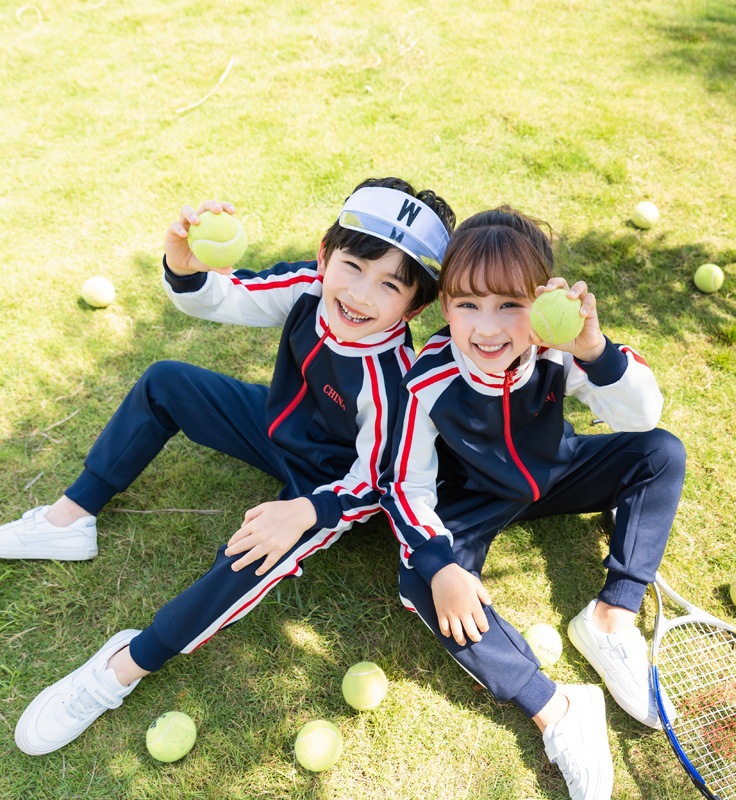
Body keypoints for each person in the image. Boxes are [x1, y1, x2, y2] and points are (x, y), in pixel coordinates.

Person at [11, 176, 456, 756]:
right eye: (352, 266)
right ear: (325, 255)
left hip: (328, 485)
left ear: (415, 306)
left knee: (249, 555)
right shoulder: (308, 287)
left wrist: (308, 512)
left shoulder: (394, 378)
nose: (361, 295)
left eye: (390, 285)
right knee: (166, 381)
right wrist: (185, 268)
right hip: (275, 432)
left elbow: (378, 481)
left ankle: (122, 667)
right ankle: (69, 520)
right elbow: (224, 295)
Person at [379, 206, 686, 800]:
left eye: (509, 305)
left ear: (542, 302)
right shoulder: (428, 379)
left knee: (661, 454)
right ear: (445, 307)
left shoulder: (558, 349)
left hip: (556, 472)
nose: (487, 328)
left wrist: (594, 350)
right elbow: (405, 486)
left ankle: (610, 619)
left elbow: (642, 415)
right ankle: (558, 709)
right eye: (468, 305)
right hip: (475, 502)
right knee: (421, 580)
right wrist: (441, 565)